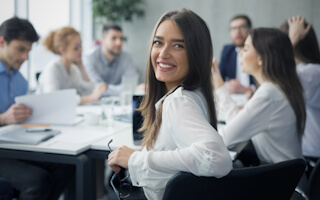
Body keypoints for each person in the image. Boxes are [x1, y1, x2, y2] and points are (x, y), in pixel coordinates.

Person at [108, 9, 232, 200]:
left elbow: (217, 157)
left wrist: (136, 159)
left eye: (178, 46)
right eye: (158, 43)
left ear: (196, 54)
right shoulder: (194, 94)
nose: (163, 54)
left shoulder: (179, 101)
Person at [0, 17, 73, 200]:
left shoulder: (20, 81)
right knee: (36, 180)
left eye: (28, 51)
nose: (25, 57)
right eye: (20, 49)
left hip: (13, 147)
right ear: (2, 42)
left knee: (66, 165)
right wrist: (3, 119)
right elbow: (6, 119)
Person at [212, 28, 306, 165]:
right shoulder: (281, 87)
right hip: (289, 177)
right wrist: (219, 85)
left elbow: (225, 139)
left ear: (261, 58)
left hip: (280, 182)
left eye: (245, 49)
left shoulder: (268, 94)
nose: (240, 55)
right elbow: (239, 126)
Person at [279, 16, 320, 160]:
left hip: (310, 153)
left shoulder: (309, 73)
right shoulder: (309, 71)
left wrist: (292, 38)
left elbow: (275, 68)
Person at [38, 26, 107, 105]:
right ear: (62, 50)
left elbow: (87, 93)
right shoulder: (52, 68)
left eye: (81, 46)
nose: (80, 50)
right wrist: (90, 98)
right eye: (76, 48)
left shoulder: (73, 69)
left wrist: (81, 67)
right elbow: (53, 99)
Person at [83, 24, 137, 96]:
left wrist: (106, 88)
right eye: (113, 38)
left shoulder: (127, 57)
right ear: (102, 41)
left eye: (121, 38)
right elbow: (95, 88)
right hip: (93, 105)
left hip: (121, 104)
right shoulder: (90, 57)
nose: (119, 43)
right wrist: (123, 89)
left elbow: (131, 85)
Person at [219, 14, 255, 98]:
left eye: (242, 27)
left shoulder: (259, 50)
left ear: (250, 30)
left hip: (254, 96)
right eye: (233, 28)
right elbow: (220, 77)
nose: (237, 32)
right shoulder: (227, 51)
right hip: (235, 98)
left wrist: (249, 89)